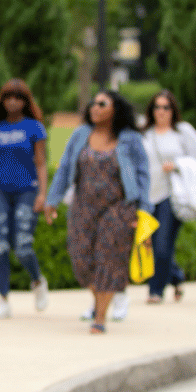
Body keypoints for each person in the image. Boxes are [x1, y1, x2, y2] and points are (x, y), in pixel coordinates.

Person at [45, 89, 151, 334]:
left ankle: (100, 317)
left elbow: (143, 175)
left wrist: (143, 211)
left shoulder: (130, 139)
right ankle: (100, 301)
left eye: (102, 104)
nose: (95, 107)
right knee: (81, 260)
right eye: (93, 103)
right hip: (83, 206)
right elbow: (64, 168)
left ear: (116, 109)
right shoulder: (80, 134)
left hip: (119, 207)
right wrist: (52, 200)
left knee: (109, 258)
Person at [0, 79, 51, 319]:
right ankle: (2, 299)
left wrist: (43, 194)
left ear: (25, 101)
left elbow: (41, 163)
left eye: (18, 97)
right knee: (0, 245)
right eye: (8, 97)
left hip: (27, 191)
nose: (12, 102)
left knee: (22, 245)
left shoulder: (34, 127)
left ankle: (37, 280)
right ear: (2, 101)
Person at [141, 90, 196, 305]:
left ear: (173, 110)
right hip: (148, 196)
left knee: (162, 245)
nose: (161, 111)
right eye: (157, 107)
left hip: (171, 195)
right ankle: (176, 276)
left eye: (165, 107)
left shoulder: (183, 132)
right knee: (152, 246)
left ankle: (155, 291)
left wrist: (177, 165)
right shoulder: (145, 134)